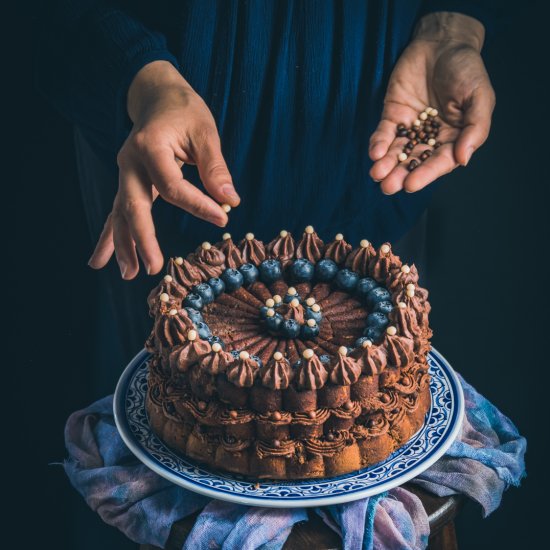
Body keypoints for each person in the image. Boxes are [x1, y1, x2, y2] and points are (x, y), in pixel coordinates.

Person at [36, 1, 496, 373]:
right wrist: (142, 77)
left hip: (377, 182)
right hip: (160, 180)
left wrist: (452, 24)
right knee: (148, 393)